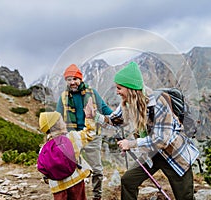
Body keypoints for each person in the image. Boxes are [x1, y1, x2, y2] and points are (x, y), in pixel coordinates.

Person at [106, 62, 200, 200]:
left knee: (185, 196)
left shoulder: (159, 102)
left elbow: (161, 139)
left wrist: (131, 144)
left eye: (119, 88)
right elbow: (115, 120)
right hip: (152, 153)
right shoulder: (129, 103)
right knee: (128, 180)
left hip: (173, 154)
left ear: (130, 89)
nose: (117, 92)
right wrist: (95, 116)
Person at [56, 64, 113, 200]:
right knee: (71, 169)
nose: (72, 82)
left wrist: (117, 118)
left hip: (92, 135)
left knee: (97, 170)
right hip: (73, 137)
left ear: (80, 79)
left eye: (75, 79)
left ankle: (97, 196)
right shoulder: (63, 97)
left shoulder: (92, 93)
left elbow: (105, 109)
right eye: (69, 79)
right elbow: (57, 117)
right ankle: (76, 196)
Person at [38, 109, 96, 200]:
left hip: (57, 187)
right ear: (57, 124)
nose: (64, 122)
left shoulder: (43, 149)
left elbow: (43, 170)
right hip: (76, 180)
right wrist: (89, 118)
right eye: (61, 120)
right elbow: (90, 134)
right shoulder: (72, 137)